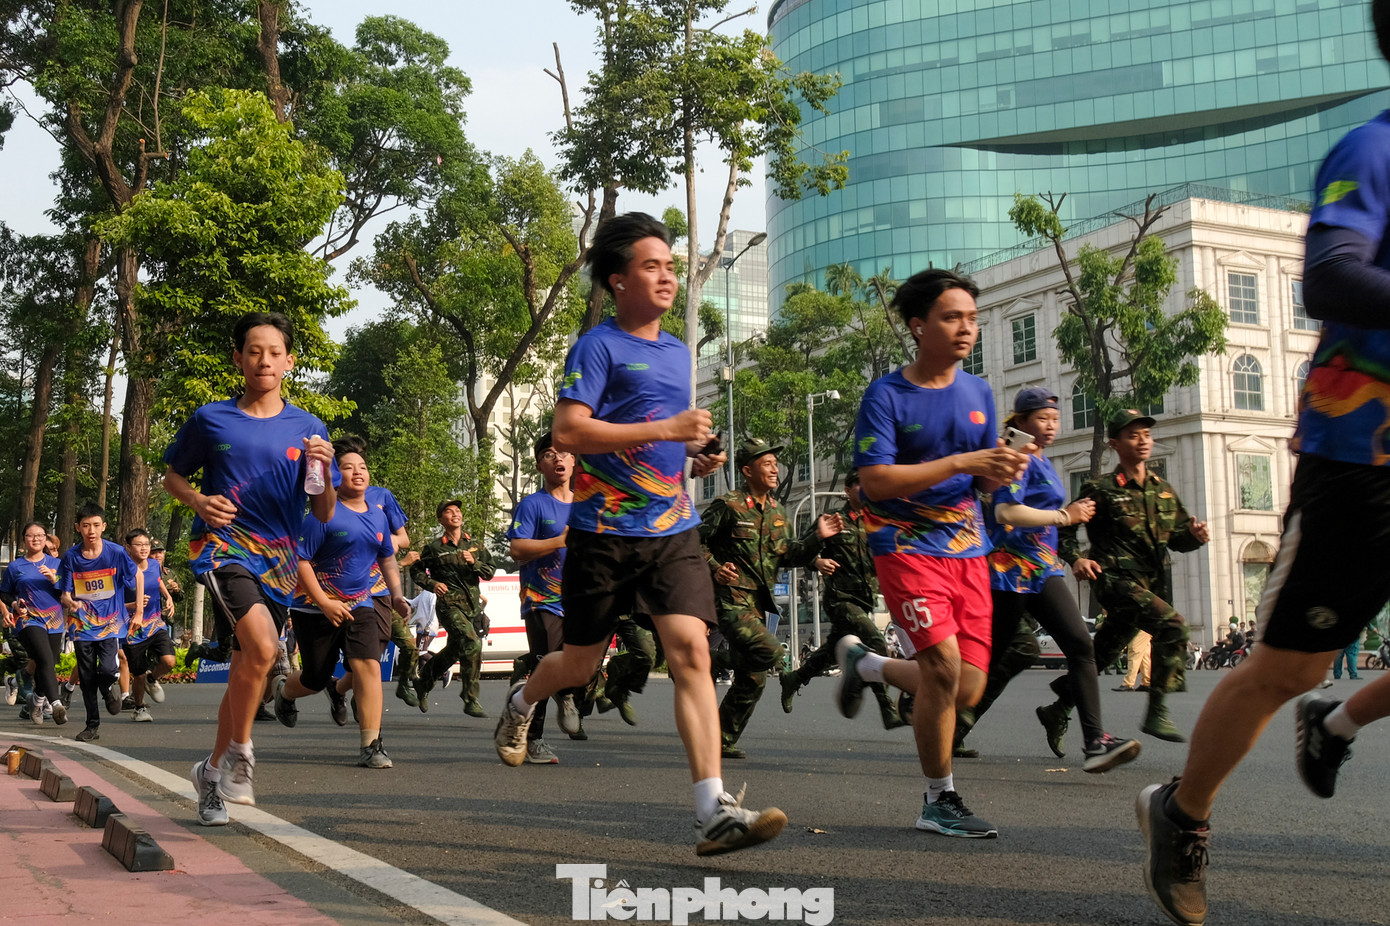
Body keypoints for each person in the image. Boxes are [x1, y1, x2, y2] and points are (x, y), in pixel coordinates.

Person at [1141, 11, 1390, 920]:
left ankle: (1338, 721)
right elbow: (1329, 275)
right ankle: (1183, 809)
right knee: (1288, 666)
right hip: (1363, 457)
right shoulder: (1372, 150)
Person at [491, 212, 786, 856]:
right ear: (618, 280)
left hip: (671, 529)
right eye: (652, 266)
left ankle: (713, 807)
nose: (667, 277)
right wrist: (667, 433)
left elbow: (667, 437)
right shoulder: (597, 346)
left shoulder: (680, 352)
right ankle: (522, 698)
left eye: (672, 267)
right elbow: (570, 431)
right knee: (579, 663)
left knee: (693, 654)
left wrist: (692, 457)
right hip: (599, 532)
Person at [836, 267, 1030, 838]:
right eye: (952, 317)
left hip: (969, 549)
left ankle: (867, 664)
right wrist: (965, 463)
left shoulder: (979, 393)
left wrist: (1002, 469)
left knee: (967, 686)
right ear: (920, 326)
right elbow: (874, 481)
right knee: (943, 669)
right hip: (905, 546)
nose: (966, 328)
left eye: (971, 318)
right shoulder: (886, 396)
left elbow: (986, 487)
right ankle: (938, 799)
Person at [164, 311, 339, 826]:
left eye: (274, 351)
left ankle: (211, 773)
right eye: (254, 350)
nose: (264, 359)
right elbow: (173, 477)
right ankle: (243, 754)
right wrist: (198, 500)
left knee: (247, 667)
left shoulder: (308, 429)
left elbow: (324, 511)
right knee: (264, 648)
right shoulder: (211, 419)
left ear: (289, 361)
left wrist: (325, 471)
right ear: (238, 358)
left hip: (281, 561)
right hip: (225, 548)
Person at [956, 386, 1142, 772]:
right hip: (1009, 572)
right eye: (1042, 418)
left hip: (1043, 569)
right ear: (1021, 421)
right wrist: (1064, 516)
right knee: (985, 659)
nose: (1051, 425)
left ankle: (1095, 741)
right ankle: (939, 715)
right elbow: (1006, 512)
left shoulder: (1039, 457)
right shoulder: (1015, 453)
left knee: (1080, 645)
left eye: (1055, 419)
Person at [1041, 410, 1209, 748]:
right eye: (1133, 435)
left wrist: (1195, 535)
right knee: (1174, 625)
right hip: (1115, 581)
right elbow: (1065, 529)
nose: (1143, 439)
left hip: (1149, 584)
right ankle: (1157, 711)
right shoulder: (1100, 489)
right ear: (1115, 443)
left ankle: (1058, 708)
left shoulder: (1163, 490)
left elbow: (1177, 538)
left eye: (1146, 433)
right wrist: (1077, 558)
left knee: (1101, 653)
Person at [700, 437, 842, 758]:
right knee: (772, 650)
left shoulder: (778, 511)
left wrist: (816, 537)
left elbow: (787, 554)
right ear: (748, 471)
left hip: (758, 604)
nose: (775, 469)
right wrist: (715, 567)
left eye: (776, 464)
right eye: (767, 464)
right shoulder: (728, 505)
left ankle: (719, 739)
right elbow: (694, 542)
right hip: (729, 599)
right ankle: (707, 660)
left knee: (754, 678)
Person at [273, 436, 409, 768]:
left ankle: (371, 745)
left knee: (369, 667)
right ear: (335, 476)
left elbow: (388, 559)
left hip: (360, 603)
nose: (357, 473)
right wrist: (324, 603)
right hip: (313, 608)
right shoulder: (322, 516)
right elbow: (301, 561)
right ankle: (284, 692)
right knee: (316, 678)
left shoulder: (378, 516)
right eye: (347, 468)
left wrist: (396, 594)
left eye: (362, 467)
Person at [780, 469, 903, 731]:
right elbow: (797, 552)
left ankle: (794, 678)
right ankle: (887, 707)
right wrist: (817, 561)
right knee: (876, 643)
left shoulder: (876, 522)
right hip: (841, 600)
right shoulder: (833, 520)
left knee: (831, 653)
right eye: (859, 485)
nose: (866, 489)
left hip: (866, 599)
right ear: (847, 490)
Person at [507, 431, 580, 764]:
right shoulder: (533, 504)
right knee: (546, 663)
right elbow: (518, 549)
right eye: (550, 454)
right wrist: (558, 542)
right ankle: (533, 739)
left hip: (580, 600)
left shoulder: (586, 504)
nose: (559, 458)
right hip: (542, 599)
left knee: (581, 663)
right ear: (540, 464)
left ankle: (566, 692)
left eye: (565, 453)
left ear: (575, 460)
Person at [57, 502, 144, 742]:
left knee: (107, 669)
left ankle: (107, 688)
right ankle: (91, 726)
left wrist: (138, 610)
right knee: (86, 677)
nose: (91, 531)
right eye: (86, 526)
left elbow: (137, 574)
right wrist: (69, 602)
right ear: (78, 528)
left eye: (96, 525)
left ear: (103, 526)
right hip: (82, 624)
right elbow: (64, 593)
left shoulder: (115, 552)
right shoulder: (71, 557)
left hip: (110, 623)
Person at [409, 500, 494, 716]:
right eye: (449, 511)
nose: (455, 514)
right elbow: (416, 572)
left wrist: (474, 562)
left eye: (457, 510)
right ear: (441, 519)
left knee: (454, 651)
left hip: (472, 608)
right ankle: (470, 699)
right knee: (472, 643)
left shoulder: (476, 545)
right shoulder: (434, 548)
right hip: (449, 606)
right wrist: (433, 584)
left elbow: (489, 573)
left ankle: (423, 682)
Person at [1, 522, 67, 726]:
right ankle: (56, 704)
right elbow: (4, 592)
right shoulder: (15, 566)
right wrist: (13, 603)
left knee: (46, 662)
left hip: (54, 619)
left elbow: (67, 593)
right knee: (45, 657)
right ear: (24, 540)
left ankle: (36, 702)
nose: (36, 539)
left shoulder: (57, 564)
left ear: (46, 539)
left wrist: (54, 579)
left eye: (40, 535)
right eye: (31, 536)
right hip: (28, 618)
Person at [122, 529, 178, 722]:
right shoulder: (121, 571)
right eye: (139, 544)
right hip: (132, 629)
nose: (144, 548)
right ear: (128, 548)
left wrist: (168, 596)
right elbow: (111, 602)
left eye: (146, 544)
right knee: (137, 674)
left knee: (169, 661)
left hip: (155, 623)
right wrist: (133, 605)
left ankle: (152, 679)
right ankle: (139, 708)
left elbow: (158, 581)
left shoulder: (154, 564)